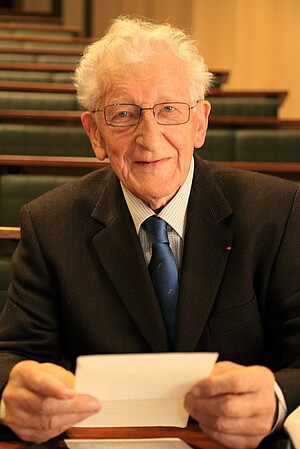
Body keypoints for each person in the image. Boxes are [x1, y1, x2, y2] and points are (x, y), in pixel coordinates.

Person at [0, 16, 299, 449]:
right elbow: (12, 354)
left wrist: (274, 399)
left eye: (169, 110)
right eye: (123, 114)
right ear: (94, 134)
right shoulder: (49, 225)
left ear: (200, 123)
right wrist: (15, 389)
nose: (150, 138)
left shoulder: (277, 212)